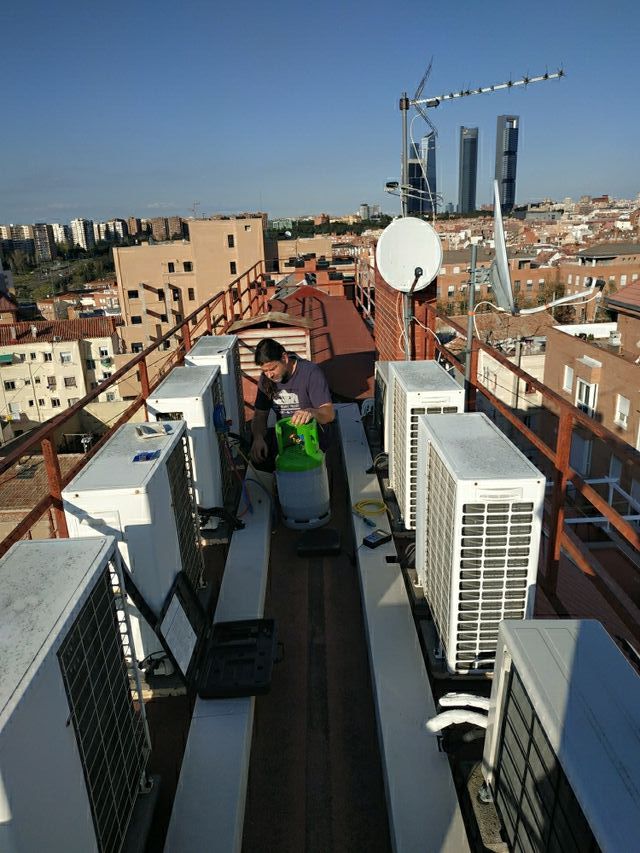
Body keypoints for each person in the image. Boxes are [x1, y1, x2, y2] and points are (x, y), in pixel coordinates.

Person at [250, 337, 335, 472]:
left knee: (308, 463)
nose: (269, 375)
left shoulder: (311, 373)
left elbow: (329, 414)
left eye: (273, 368)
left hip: (312, 434)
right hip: (286, 435)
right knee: (259, 457)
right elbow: (260, 415)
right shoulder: (266, 380)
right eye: (265, 371)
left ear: (284, 358)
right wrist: (258, 438)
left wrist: (311, 412)